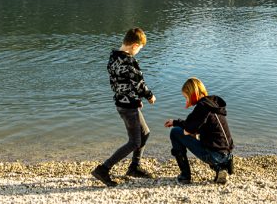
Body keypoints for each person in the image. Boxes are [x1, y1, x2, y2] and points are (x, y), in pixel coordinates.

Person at [91, 27, 156, 187]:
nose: (139, 51)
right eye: (140, 48)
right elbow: (139, 83)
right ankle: (103, 169)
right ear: (134, 45)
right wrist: (149, 96)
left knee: (145, 133)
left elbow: (120, 83)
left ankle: (134, 167)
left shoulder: (113, 57)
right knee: (134, 141)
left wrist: (134, 98)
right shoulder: (129, 61)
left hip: (124, 102)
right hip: (128, 107)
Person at [164, 77, 234, 185]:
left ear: (192, 94)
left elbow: (188, 130)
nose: (186, 100)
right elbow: (195, 125)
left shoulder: (202, 107)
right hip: (227, 153)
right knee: (193, 134)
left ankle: (185, 176)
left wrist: (176, 123)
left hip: (215, 155)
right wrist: (177, 122)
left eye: (186, 97)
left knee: (175, 132)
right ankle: (221, 168)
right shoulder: (212, 104)